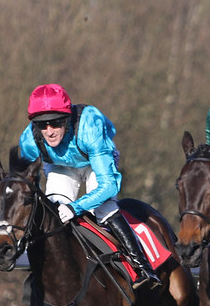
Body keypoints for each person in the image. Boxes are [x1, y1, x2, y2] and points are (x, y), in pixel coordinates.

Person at [17, 83, 159, 290]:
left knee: (103, 209)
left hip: (96, 162)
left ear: (67, 118)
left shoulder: (89, 126)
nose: (49, 131)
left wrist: (76, 207)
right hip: (61, 166)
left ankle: (143, 267)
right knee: (54, 211)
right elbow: (29, 187)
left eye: (55, 123)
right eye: (42, 124)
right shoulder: (29, 141)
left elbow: (109, 185)